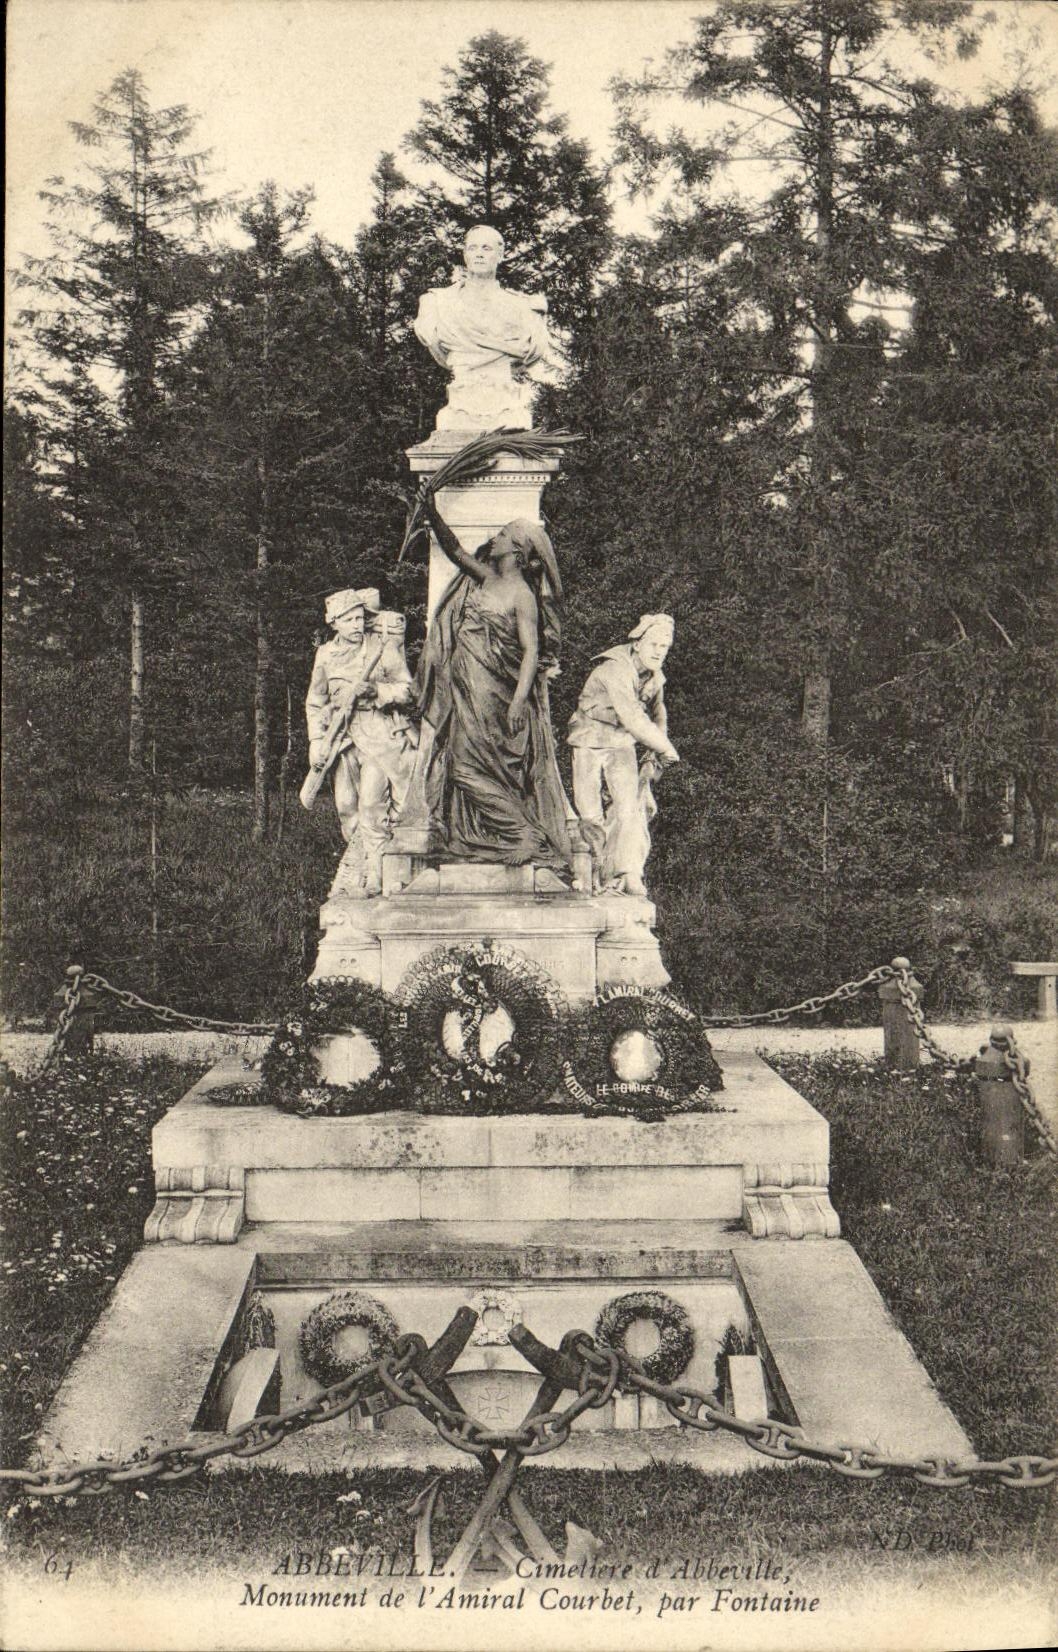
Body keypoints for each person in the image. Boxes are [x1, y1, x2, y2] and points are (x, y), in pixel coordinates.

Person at [407, 490, 573, 868]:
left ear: (516, 552)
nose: (492, 540)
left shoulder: (521, 595)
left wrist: (517, 701)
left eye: (500, 537)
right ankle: (506, 833)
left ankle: (523, 833)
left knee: (466, 768)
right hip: (467, 692)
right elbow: (455, 552)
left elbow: (531, 651)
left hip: (494, 697)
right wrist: (431, 512)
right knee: (459, 765)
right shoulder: (486, 579)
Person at [305, 589, 417, 895]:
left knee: (371, 804)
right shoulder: (325, 655)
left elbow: (408, 689)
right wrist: (317, 741)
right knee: (347, 807)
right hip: (342, 740)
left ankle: (377, 876)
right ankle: (361, 866)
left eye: (359, 618)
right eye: (349, 620)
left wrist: (376, 691)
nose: (356, 625)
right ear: (335, 624)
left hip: (379, 736)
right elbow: (315, 701)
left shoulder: (382, 648)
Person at [567, 614, 679, 897]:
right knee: (589, 811)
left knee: (630, 807)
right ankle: (590, 874)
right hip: (589, 740)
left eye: (664, 647)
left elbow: (657, 712)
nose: (658, 651)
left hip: (620, 742)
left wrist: (658, 747)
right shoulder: (615, 669)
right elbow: (631, 715)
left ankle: (628, 872)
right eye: (654, 644)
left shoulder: (654, 676)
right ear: (638, 643)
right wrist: (665, 747)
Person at [413, 224, 552, 431]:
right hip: (458, 406)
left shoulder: (524, 307)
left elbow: (534, 348)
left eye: (486, 248)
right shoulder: (437, 303)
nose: (479, 254)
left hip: (508, 411)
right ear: (465, 255)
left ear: (500, 255)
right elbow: (432, 338)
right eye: (473, 248)